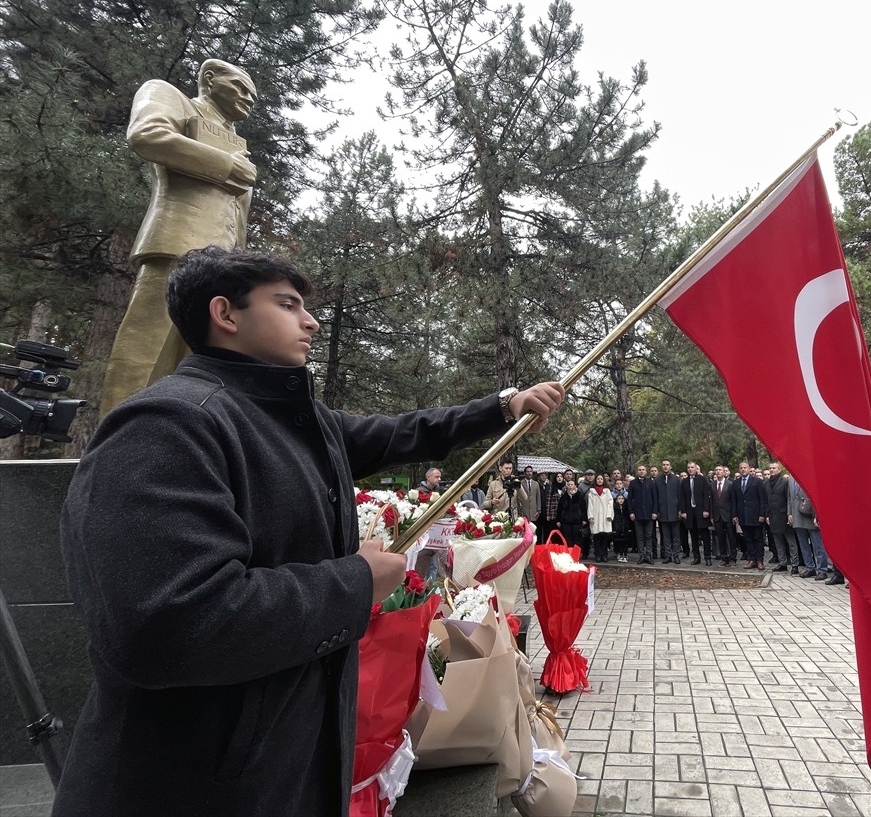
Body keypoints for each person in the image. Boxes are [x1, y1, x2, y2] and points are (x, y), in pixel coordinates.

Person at [55, 246, 564, 816]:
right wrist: (354, 583)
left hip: (279, 765)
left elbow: (398, 433)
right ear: (226, 314)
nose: (312, 320)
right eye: (288, 304)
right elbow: (169, 623)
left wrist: (502, 407)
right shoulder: (169, 425)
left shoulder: (291, 419)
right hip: (192, 783)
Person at [101, 61, 260, 417]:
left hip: (223, 267)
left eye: (253, 95)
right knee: (147, 350)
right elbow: (147, 134)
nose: (249, 99)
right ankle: (115, 439)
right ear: (209, 79)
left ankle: (187, 439)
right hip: (175, 245)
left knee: (205, 366)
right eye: (240, 87)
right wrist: (226, 166)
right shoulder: (169, 95)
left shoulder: (235, 138)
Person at [731, 461, 769, 570]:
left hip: (756, 515)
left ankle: (759, 560)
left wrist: (762, 514)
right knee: (748, 539)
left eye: (745, 467)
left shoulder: (757, 482)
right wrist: (734, 515)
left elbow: (762, 499)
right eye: (741, 468)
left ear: (749, 469)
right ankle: (752, 559)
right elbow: (734, 500)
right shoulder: (736, 483)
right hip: (743, 516)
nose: (743, 469)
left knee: (758, 538)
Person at [681, 460, 714, 565]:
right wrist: (683, 511)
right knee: (693, 536)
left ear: (696, 468)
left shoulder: (702, 480)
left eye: (692, 467)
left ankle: (707, 557)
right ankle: (696, 557)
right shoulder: (684, 482)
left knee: (705, 536)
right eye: (689, 468)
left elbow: (706, 496)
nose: (690, 469)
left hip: (701, 511)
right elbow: (682, 498)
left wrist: (706, 510)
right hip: (690, 512)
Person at [627, 465, 658, 564]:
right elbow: (629, 499)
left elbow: (655, 499)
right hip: (637, 514)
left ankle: (649, 555)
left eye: (643, 470)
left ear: (646, 471)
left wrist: (654, 512)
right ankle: (641, 555)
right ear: (637, 471)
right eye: (639, 470)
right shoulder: (633, 483)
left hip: (649, 514)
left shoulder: (651, 482)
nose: (641, 471)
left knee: (649, 536)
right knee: (639, 536)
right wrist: (631, 512)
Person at [655, 459, 682, 564]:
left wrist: (680, 509)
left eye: (667, 465)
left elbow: (680, 496)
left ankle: (675, 555)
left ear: (670, 467)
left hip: (675, 511)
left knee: (676, 536)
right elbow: (656, 497)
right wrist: (657, 511)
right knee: (665, 536)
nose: (665, 466)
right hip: (663, 512)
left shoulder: (677, 479)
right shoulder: (657, 480)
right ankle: (668, 555)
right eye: (664, 465)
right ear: (662, 467)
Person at [712, 465, 737, 567]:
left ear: (724, 472)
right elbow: (711, 501)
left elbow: (733, 501)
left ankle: (733, 558)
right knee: (720, 538)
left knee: (731, 538)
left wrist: (734, 515)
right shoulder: (712, 485)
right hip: (717, 515)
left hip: (728, 515)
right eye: (716, 470)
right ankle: (724, 558)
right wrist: (712, 515)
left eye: (720, 470)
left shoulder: (730, 484)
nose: (718, 472)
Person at [587, 472, 615, 562]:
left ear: (603, 480)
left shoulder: (607, 492)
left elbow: (610, 504)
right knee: (596, 537)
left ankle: (604, 555)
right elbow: (590, 505)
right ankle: (598, 555)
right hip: (596, 516)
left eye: (601, 479)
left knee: (604, 537)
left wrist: (609, 515)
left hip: (605, 517)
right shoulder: (592, 492)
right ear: (596, 480)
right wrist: (590, 516)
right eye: (598, 479)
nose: (599, 480)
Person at [556, 478, 587, 549]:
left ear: (575, 486)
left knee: (577, 538)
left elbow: (583, 508)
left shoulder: (579, 496)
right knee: (567, 538)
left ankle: (577, 553)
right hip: (565, 521)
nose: (570, 486)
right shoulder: (564, 497)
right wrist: (558, 520)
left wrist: (584, 519)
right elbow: (559, 509)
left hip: (577, 521)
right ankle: (569, 552)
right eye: (568, 485)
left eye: (571, 485)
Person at [611, 478, 632, 562]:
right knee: (617, 540)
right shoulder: (612, 495)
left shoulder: (626, 495)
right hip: (617, 525)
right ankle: (618, 553)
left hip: (625, 525)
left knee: (625, 540)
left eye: (620, 483)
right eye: (617, 484)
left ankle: (625, 554)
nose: (619, 485)